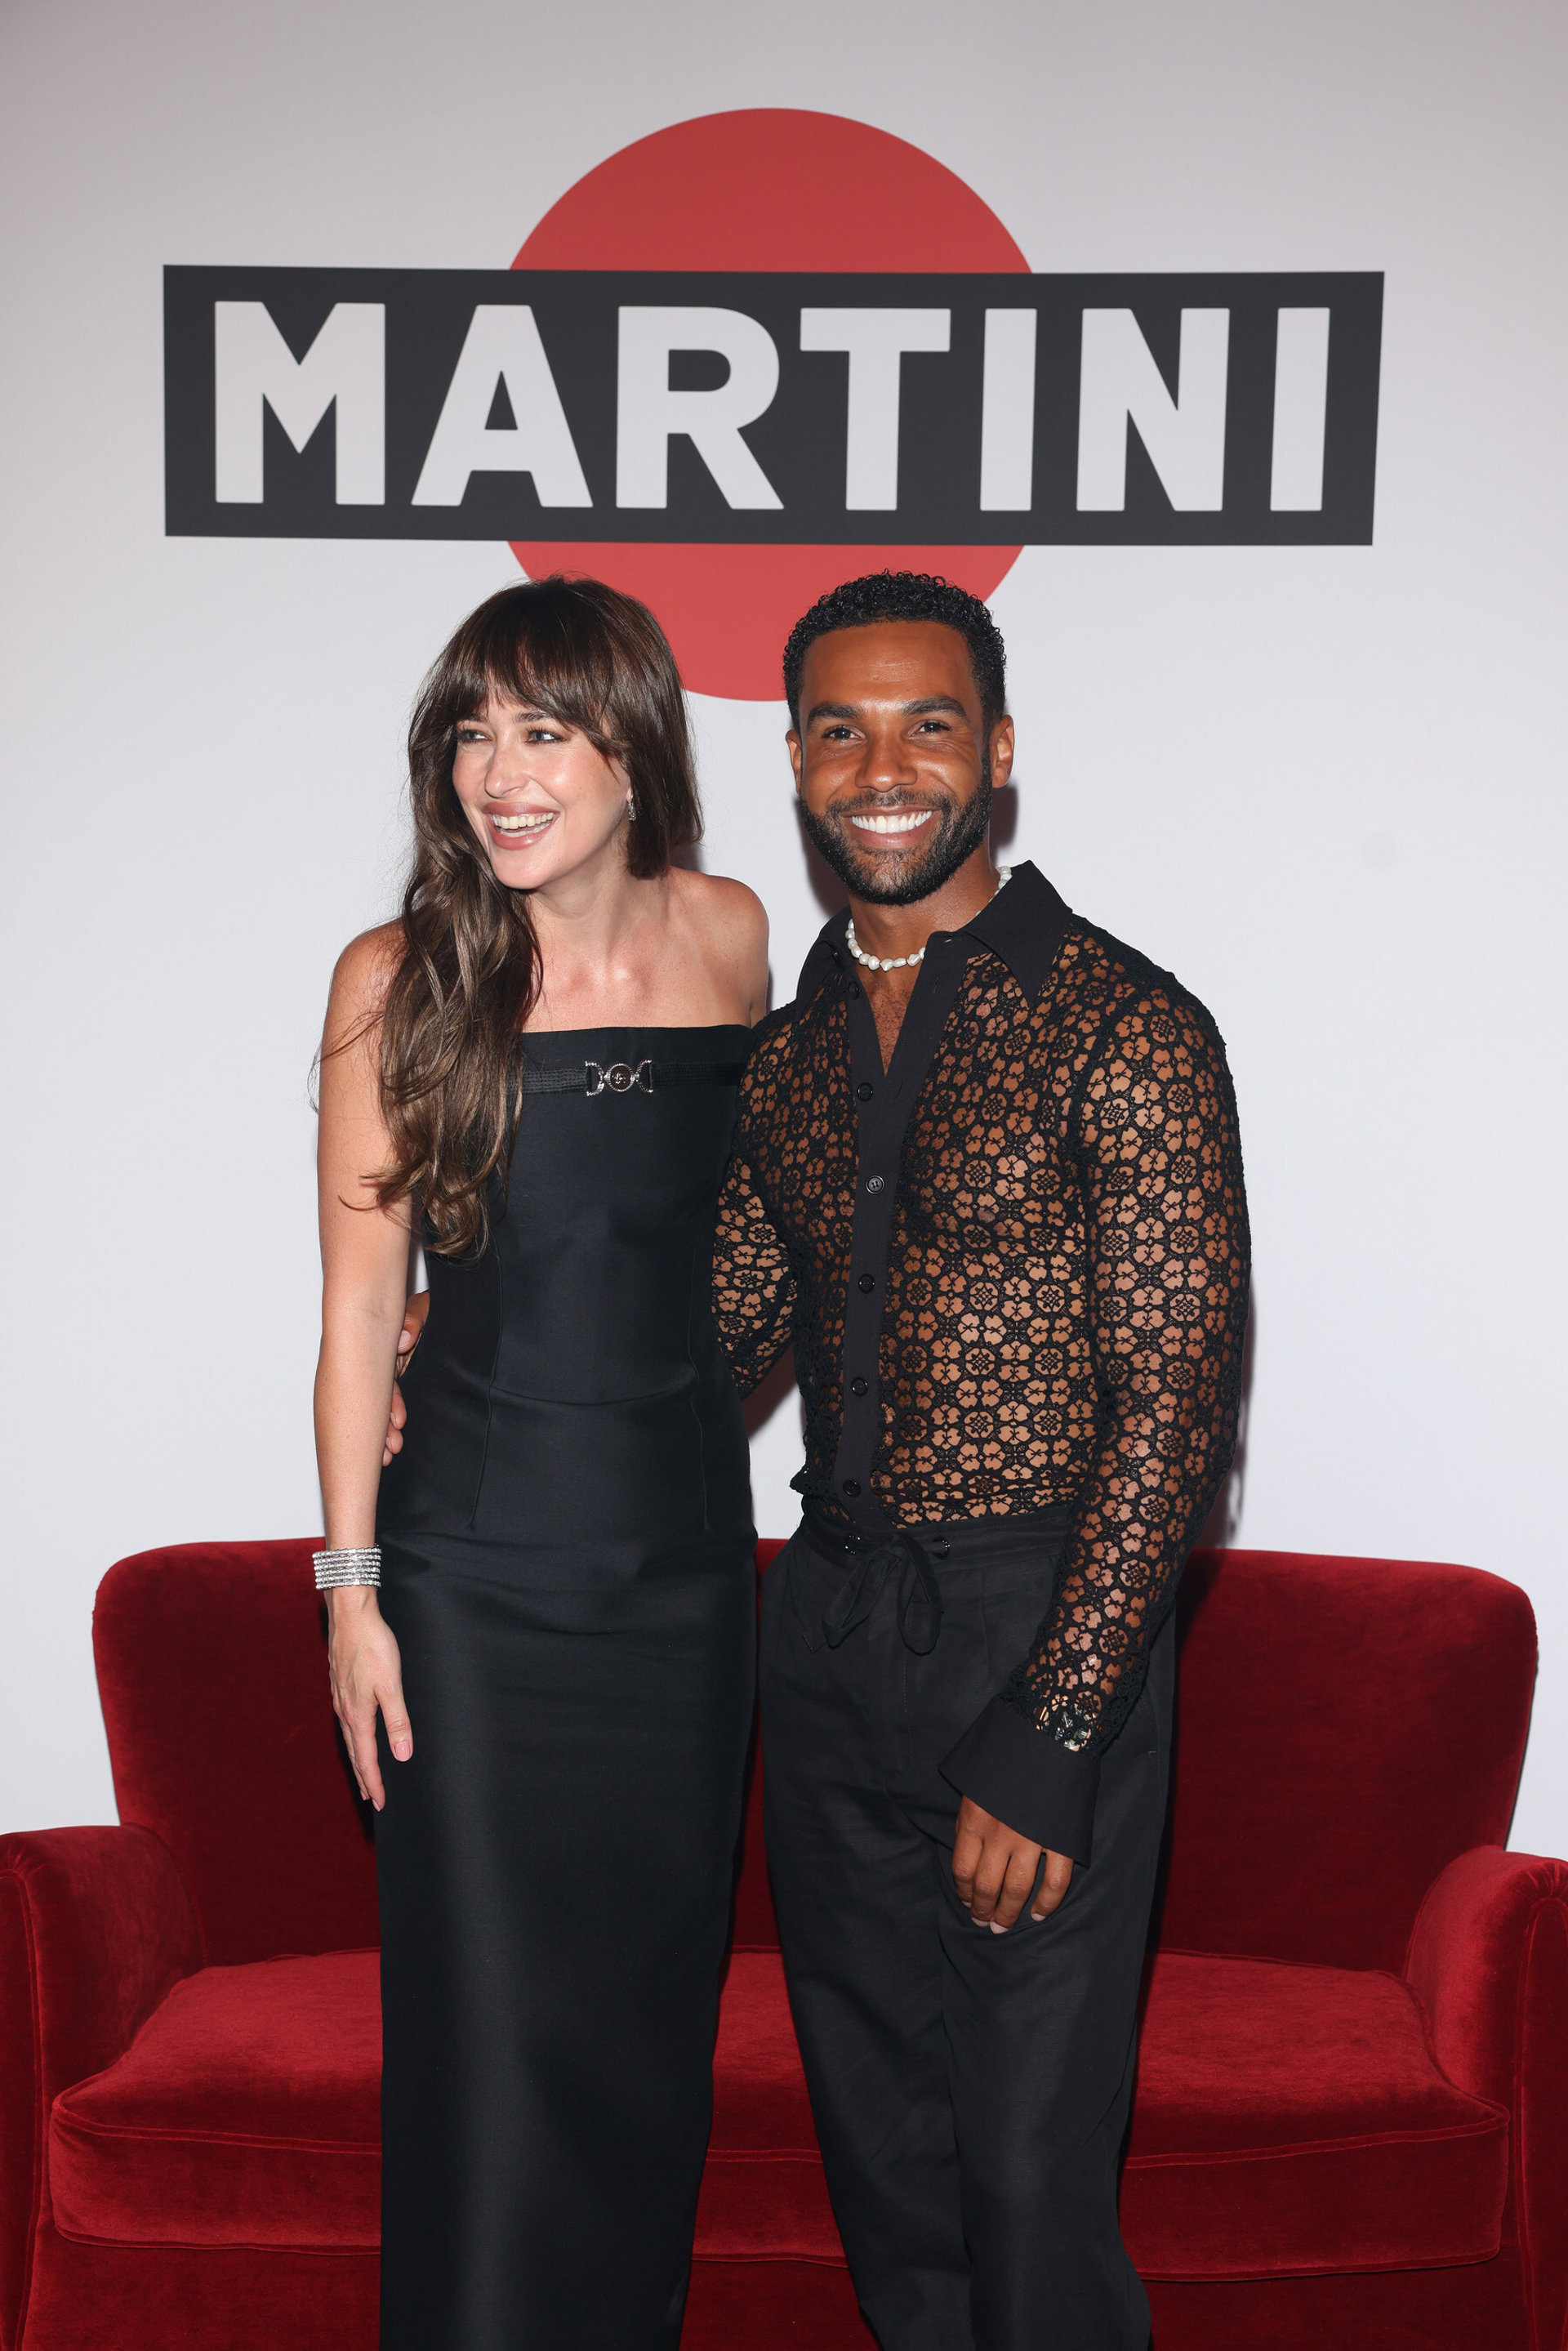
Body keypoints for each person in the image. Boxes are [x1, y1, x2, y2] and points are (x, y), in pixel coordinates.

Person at [708, 573, 1250, 2351]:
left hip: (1042, 1628)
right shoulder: (784, 1056)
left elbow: (1177, 1406)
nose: (884, 768)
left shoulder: (1126, 1025)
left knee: (1026, 2185)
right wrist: (455, 1339)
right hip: (830, 1636)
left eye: (927, 723)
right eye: (841, 730)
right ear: (796, 762)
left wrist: (1057, 1723)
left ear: (998, 751)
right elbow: (700, 1342)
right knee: (891, 2173)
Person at [313, 575, 767, 2351]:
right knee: (495, 2053)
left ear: (633, 751)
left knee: (646, 2041)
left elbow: (748, 1248)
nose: (499, 775)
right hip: (473, 1589)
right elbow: (362, 1307)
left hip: (684, 1585)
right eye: (471, 734)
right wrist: (351, 1589)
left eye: (545, 730)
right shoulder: (396, 979)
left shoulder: (734, 937)